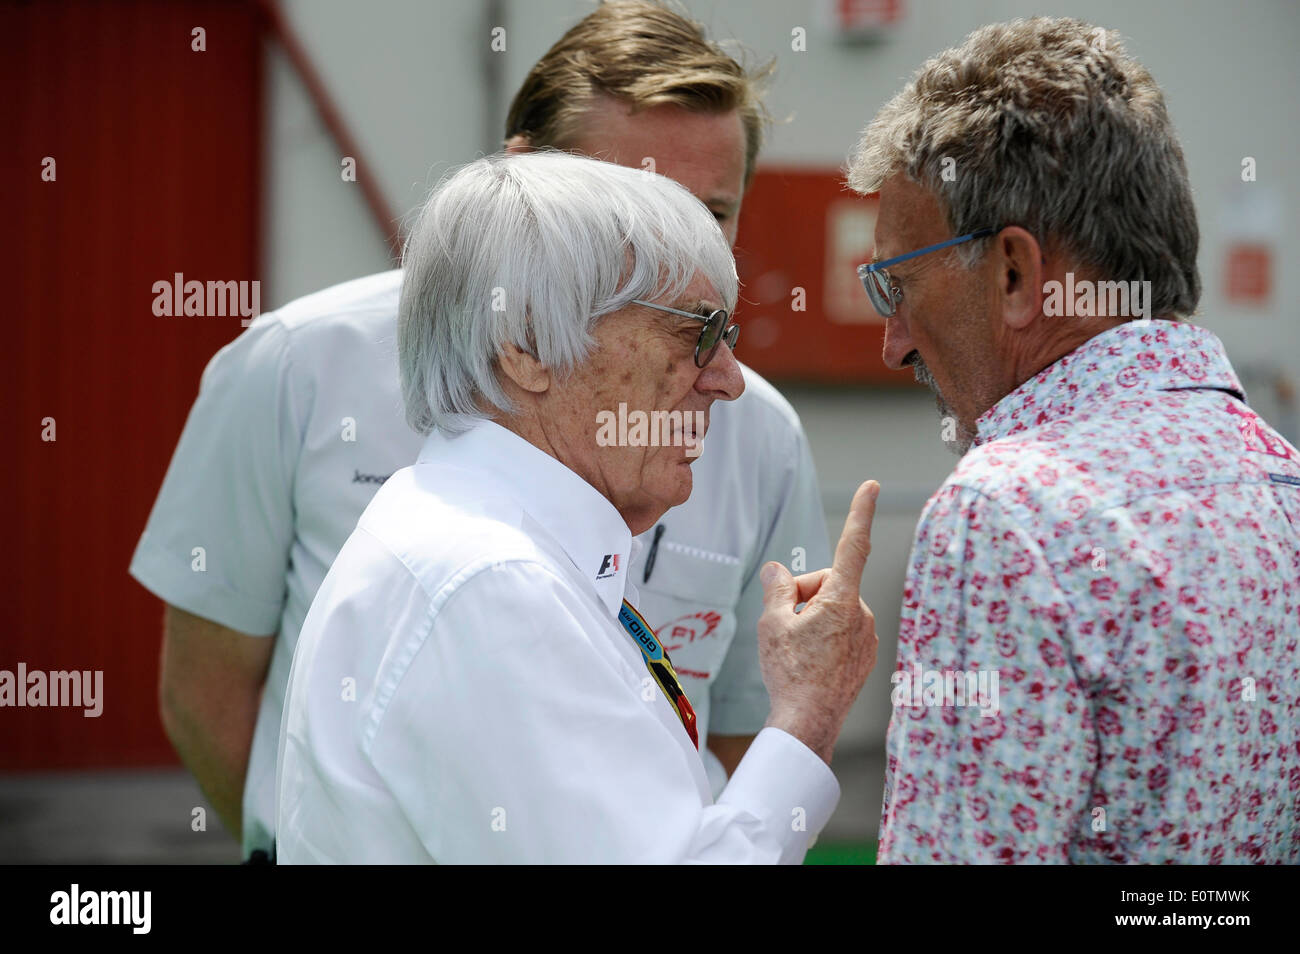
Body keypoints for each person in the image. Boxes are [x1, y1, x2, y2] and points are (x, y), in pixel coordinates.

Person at [130, 0, 830, 862]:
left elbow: (720, 737)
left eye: (711, 211)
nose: (722, 377)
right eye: (629, 202)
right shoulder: (297, 368)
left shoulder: (753, 428)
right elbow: (205, 685)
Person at [275, 151, 878, 863]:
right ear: (526, 344)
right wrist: (808, 712)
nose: (728, 379)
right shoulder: (492, 583)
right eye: (695, 333)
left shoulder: (480, 544)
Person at [847, 17, 1300, 863]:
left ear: (1014, 273)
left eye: (897, 286)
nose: (894, 340)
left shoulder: (1006, 513)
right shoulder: (1280, 479)